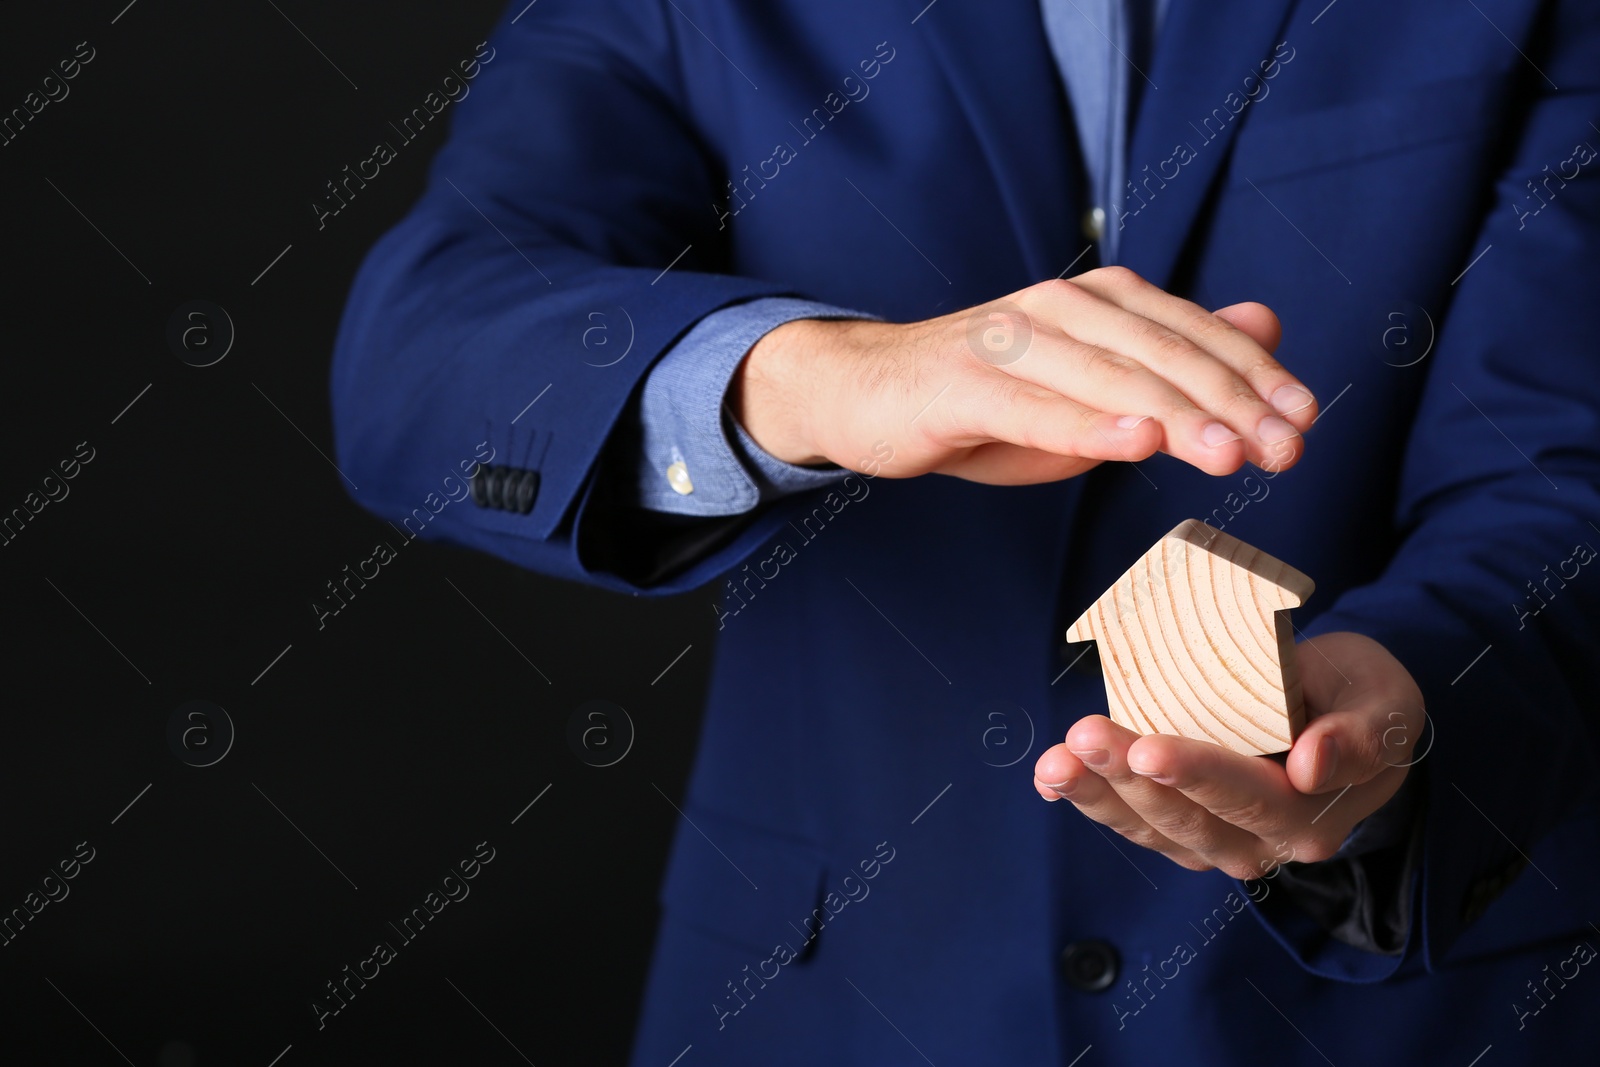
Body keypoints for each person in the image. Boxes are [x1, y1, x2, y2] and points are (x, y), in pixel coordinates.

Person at [330, 0, 1600, 1063]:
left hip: (1413, 997)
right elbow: (420, 346)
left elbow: (1561, 466)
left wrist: (1411, 690)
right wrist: (818, 382)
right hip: (830, 997)